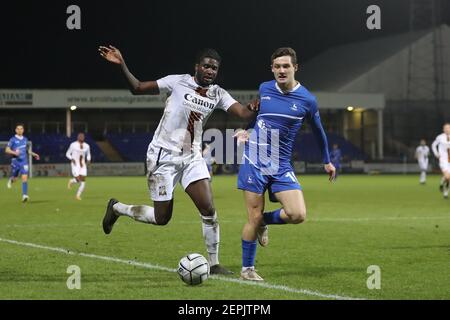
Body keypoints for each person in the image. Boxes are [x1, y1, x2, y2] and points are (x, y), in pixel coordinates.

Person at [98, 45, 258, 274]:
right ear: (197, 67)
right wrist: (122, 63)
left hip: (192, 157)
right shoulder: (177, 81)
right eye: (206, 66)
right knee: (162, 218)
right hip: (163, 156)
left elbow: (243, 113)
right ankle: (117, 208)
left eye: (214, 68)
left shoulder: (218, 94)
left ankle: (213, 264)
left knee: (209, 209)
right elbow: (137, 88)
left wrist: (255, 105)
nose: (211, 71)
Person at [236, 47, 335, 281]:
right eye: (277, 66)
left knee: (298, 214)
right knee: (253, 216)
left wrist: (327, 161)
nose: (281, 70)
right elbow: (260, 118)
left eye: (286, 66)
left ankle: (263, 222)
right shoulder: (264, 88)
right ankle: (247, 270)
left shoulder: (308, 100)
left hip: (281, 165)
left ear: (295, 68)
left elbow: (319, 131)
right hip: (254, 161)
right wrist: (246, 132)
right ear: (272, 68)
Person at [5, 123, 40, 202]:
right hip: (15, 161)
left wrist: (34, 154)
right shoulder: (12, 139)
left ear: (23, 130)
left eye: (21, 129)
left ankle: (24, 195)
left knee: (24, 178)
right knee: (15, 178)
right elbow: (6, 150)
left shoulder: (25, 139)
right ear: (16, 130)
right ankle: (11, 179)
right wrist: (14, 153)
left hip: (24, 161)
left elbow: (27, 150)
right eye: (18, 129)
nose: (20, 130)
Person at [66, 132, 91, 200]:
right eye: (80, 136)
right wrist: (72, 158)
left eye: (83, 136)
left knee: (83, 181)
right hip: (75, 165)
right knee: (78, 179)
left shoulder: (87, 146)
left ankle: (78, 196)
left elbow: (88, 154)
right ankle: (71, 181)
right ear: (78, 137)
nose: (81, 137)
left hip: (83, 165)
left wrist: (88, 160)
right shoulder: (73, 145)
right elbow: (67, 154)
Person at [431, 123, 450, 197]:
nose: (447, 129)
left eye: (449, 128)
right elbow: (433, 145)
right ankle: (444, 186)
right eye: (446, 128)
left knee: (448, 178)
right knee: (448, 177)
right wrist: (436, 154)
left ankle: (445, 190)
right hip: (444, 160)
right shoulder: (440, 137)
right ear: (443, 129)